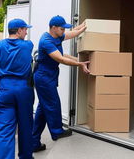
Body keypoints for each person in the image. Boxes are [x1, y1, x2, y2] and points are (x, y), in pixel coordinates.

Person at [32, 15, 90, 152]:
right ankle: (57, 131)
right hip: (43, 77)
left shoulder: (57, 35)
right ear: (53, 28)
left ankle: (33, 143)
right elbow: (61, 59)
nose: (64, 30)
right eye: (62, 28)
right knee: (52, 103)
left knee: (42, 109)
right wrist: (79, 63)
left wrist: (83, 27)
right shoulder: (46, 41)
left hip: (48, 76)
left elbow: (73, 32)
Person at [0, 19, 34, 159]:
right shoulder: (28, 45)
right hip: (23, 89)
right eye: (25, 29)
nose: (26, 32)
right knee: (25, 125)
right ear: (18, 31)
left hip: (4, 89)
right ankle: (26, 156)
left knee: (4, 130)